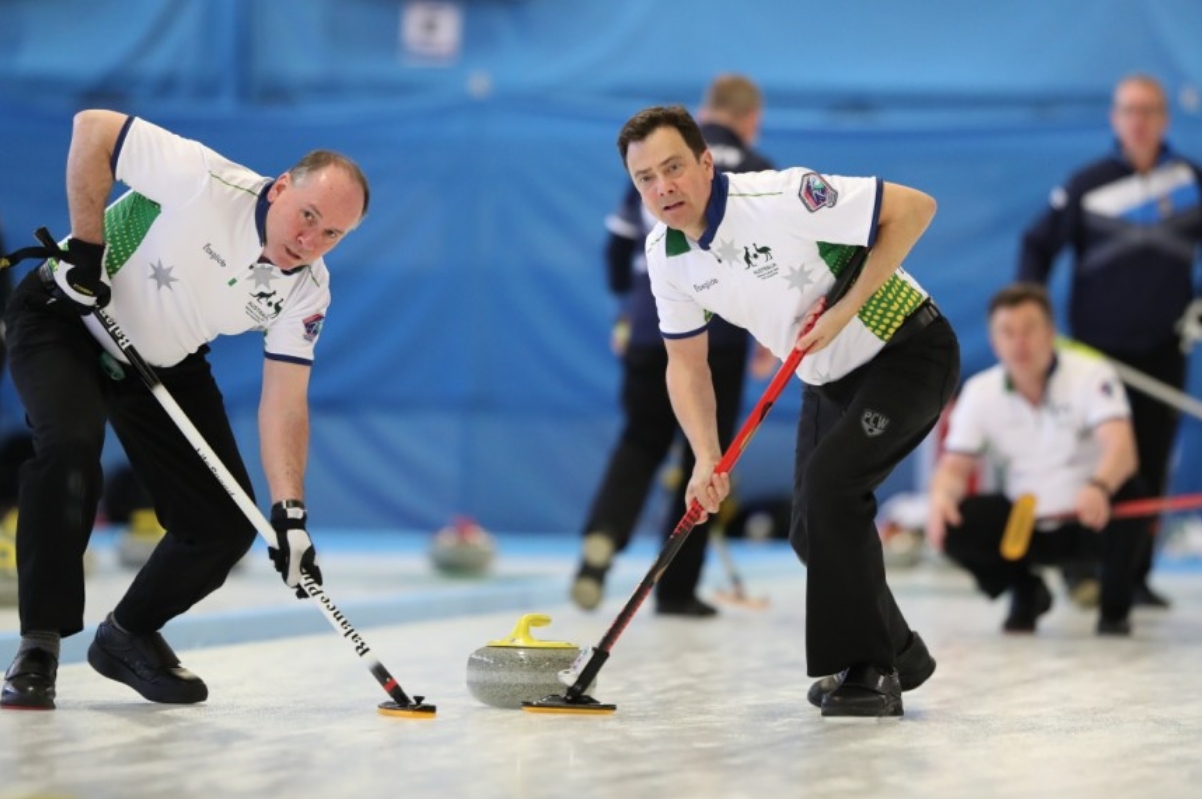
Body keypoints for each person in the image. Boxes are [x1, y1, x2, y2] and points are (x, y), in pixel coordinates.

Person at [0, 109, 368, 710]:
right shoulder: (203, 180)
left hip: (162, 359)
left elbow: (284, 401)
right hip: (67, 315)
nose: (311, 241)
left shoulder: (307, 290)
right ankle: (39, 644)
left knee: (225, 523)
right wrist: (87, 248)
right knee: (69, 446)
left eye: (332, 234)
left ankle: (127, 635)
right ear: (280, 188)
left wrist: (291, 515)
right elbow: (93, 129)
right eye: (308, 215)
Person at [618, 105, 959, 717]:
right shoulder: (666, 254)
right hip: (826, 379)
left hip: (906, 352)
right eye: (645, 177)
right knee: (809, 531)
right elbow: (686, 365)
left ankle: (871, 670)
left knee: (831, 488)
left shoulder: (781, 196)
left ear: (706, 163)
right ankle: (901, 652)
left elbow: (915, 209)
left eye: (674, 167)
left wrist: (845, 310)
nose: (663, 186)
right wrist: (705, 458)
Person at [571, 75, 774, 618]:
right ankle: (677, 587)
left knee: (640, 440)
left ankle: (602, 537)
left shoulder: (648, 162)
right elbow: (766, 263)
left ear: (706, 112)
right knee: (706, 458)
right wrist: (767, 334)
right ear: (752, 118)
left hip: (649, 323)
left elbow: (617, 247)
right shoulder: (755, 168)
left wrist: (627, 308)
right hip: (720, 334)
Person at [1017, 74, 1202, 608]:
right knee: (1092, 461)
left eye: (1148, 110)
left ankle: (1133, 575)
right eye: (1129, 110)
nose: (1138, 120)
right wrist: (1034, 317)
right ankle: (1081, 571)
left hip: (1164, 350)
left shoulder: (1190, 181)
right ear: (1115, 118)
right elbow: (1036, 245)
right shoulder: (1087, 184)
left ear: (1164, 118)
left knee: (1151, 460)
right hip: (1094, 355)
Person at [928, 284, 1146, 636]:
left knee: (1133, 493)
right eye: (1007, 332)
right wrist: (940, 498)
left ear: (1051, 332)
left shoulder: (1091, 374)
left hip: (1092, 514)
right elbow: (954, 467)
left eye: (1029, 329)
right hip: (1026, 521)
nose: (1019, 343)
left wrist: (1099, 486)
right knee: (953, 523)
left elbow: (1122, 448)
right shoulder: (980, 392)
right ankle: (1026, 592)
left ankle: (1115, 607)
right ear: (994, 340)